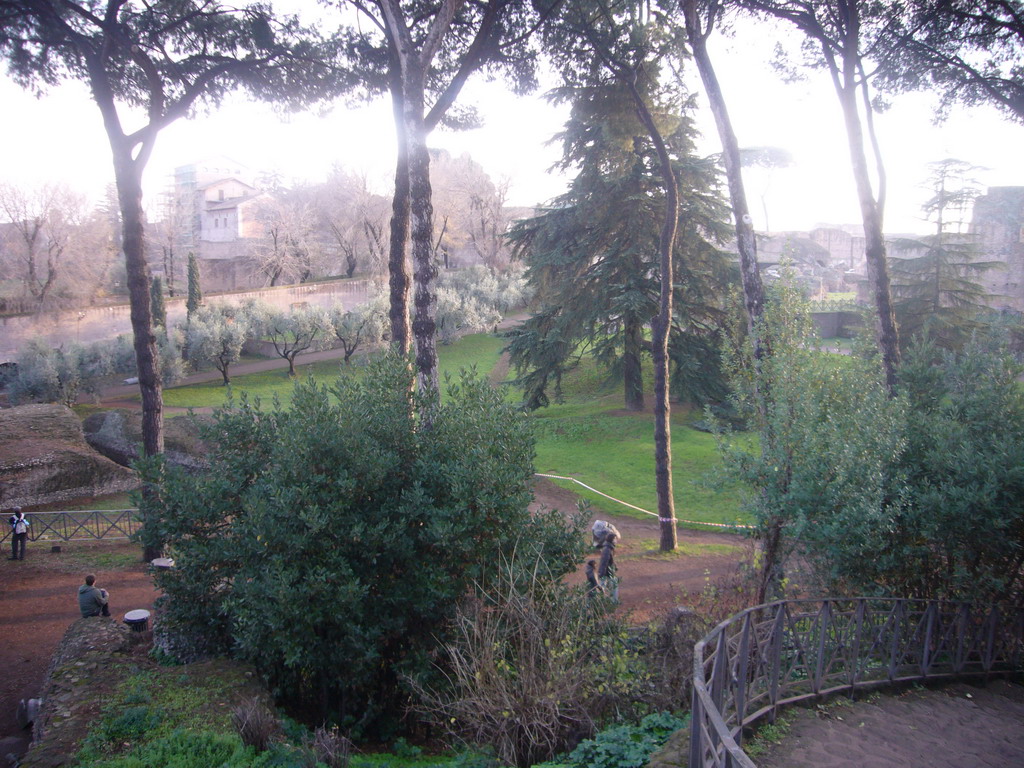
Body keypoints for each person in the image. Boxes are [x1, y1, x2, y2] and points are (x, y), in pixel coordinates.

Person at [591, 520, 620, 602]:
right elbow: (604, 562)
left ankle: (608, 601)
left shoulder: (608, 547)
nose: (616, 540)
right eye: (615, 539)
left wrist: (614, 567)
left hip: (608, 572)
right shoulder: (607, 549)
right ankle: (610, 602)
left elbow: (610, 560)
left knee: (609, 586)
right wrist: (601, 574)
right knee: (608, 586)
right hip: (606, 573)